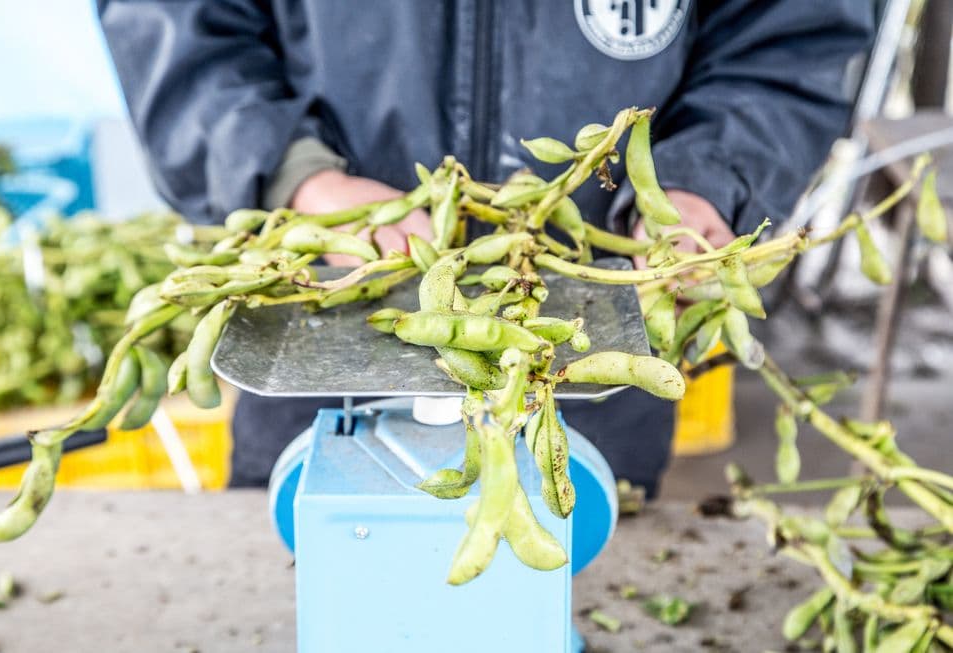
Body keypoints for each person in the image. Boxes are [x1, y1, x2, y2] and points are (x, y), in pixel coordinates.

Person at [99, 1, 874, 495]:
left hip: (589, 359)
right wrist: (300, 180)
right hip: (319, 344)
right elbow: (173, 23)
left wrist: (703, 184)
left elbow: (790, 37)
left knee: (591, 564)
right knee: (319, 569)